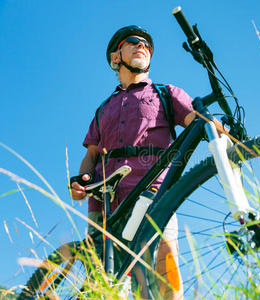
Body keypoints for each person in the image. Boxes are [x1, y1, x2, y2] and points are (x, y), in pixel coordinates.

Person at [69, 25, 198, 299]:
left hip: (153, 192)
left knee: (163, 269)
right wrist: (80, 183)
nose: (142, 46)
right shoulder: (104, 108)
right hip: (104, 201)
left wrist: (225, 135)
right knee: (102, 284)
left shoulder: (166, 93)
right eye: (133, 42)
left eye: (147, 45)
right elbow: (91, 155)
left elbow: (197, 122)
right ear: (116, 57)